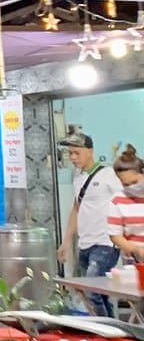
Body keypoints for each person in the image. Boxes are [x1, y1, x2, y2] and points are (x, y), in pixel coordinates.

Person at [57, 131, 120, 315]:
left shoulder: (108, 174)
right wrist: (66, 242)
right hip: (84, 245)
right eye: (70, 153)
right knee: (100, 295)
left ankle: (105, 332)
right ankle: (115, 333)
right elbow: (76, 210)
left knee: (91, 292)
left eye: (77, 153)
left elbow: (126, 200)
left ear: (90, 151)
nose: (73, 157)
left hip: (105, 244)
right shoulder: (78, 180)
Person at [109, 145, 144, 262]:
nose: (132, 187)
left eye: (135, 182)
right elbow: (115, 236)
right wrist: (136, 250)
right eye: (126, 184)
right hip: (134, 262)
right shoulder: (117, 201)